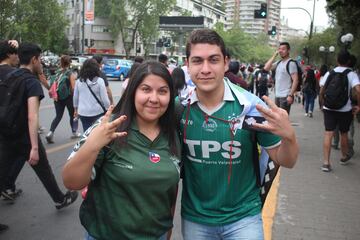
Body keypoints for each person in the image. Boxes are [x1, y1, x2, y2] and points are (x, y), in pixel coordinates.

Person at [179, 29, 298, 240]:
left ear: (226, 63)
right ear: (187, 65)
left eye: (213, 60)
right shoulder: (178, 108)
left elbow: (286, 161)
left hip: (244, 218)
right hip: (195, 219)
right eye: (197, 61)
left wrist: (289, 136)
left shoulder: (252, 106)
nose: (205, 69)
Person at [62, 61, 181, 239]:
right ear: (133, 92)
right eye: (146, 89)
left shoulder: (174, 134)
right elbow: (71, 181)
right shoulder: (109, 128)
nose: (154, 98)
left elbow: (170, 190)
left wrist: (167, 233)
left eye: (162, 91)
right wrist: (93, 145)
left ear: (171, 96)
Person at [0, 43, 78, 233]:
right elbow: (32, 116)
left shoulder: (10, 76)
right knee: (44, 169)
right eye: (40, 60)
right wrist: (34, 146)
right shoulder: (31, 81)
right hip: (25, 137)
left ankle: (58, 198)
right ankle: (60, 199)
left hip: (6, 134)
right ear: (34, 60)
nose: (41, 64)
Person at [319, 50, 360, 172]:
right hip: (345, 109)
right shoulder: (351, 74)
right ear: (348, 61)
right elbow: (358, 90)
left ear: (337, 60)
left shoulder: (329, 73)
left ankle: (326, 163)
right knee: (344, 133)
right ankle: (343, 156)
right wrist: (358, 105)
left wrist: (322, 103)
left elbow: (322, 90)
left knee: (328, 134)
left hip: (329, 108)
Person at [46, 55, 80, 143]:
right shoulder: (70, 73)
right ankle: (74, 132)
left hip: (57, 97)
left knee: (58, 116)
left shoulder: (57, 73)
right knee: (72, 114)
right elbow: (73, 88)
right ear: (69, 63)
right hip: (68, 97)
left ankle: (50, 132)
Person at [73, 59, 110, 132]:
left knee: (86, 132)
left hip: (83, 112)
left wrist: (75, 109)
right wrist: (108, 109)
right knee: (97, 133)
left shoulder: (79, 81)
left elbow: (75, 97)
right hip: (97, 112)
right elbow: (105, 99)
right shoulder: (100, 81)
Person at [264, 42, 299, 114]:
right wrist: (274, 55)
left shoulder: (291, 63)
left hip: (285, 96)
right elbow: (266, 68)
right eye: (279, 49)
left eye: (283, 49)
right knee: (277, 118)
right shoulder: (279, 62)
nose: (281, 51)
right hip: (277, 95)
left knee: (282, 119)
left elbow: (296, 80)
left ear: (288, 50)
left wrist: (290, 95)